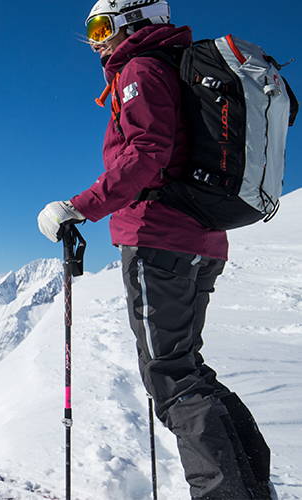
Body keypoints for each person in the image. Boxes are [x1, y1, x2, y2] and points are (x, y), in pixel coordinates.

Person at [36, 1, 276, 498]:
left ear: (134, 19)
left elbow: (147, 153)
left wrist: (80, 207)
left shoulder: (141, 69)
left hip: (158, 238)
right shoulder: (177, 66)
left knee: (171, 379)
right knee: (187, 368)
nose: (95, 40)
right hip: (202, 238)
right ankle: (252, 482)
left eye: (102, 26)